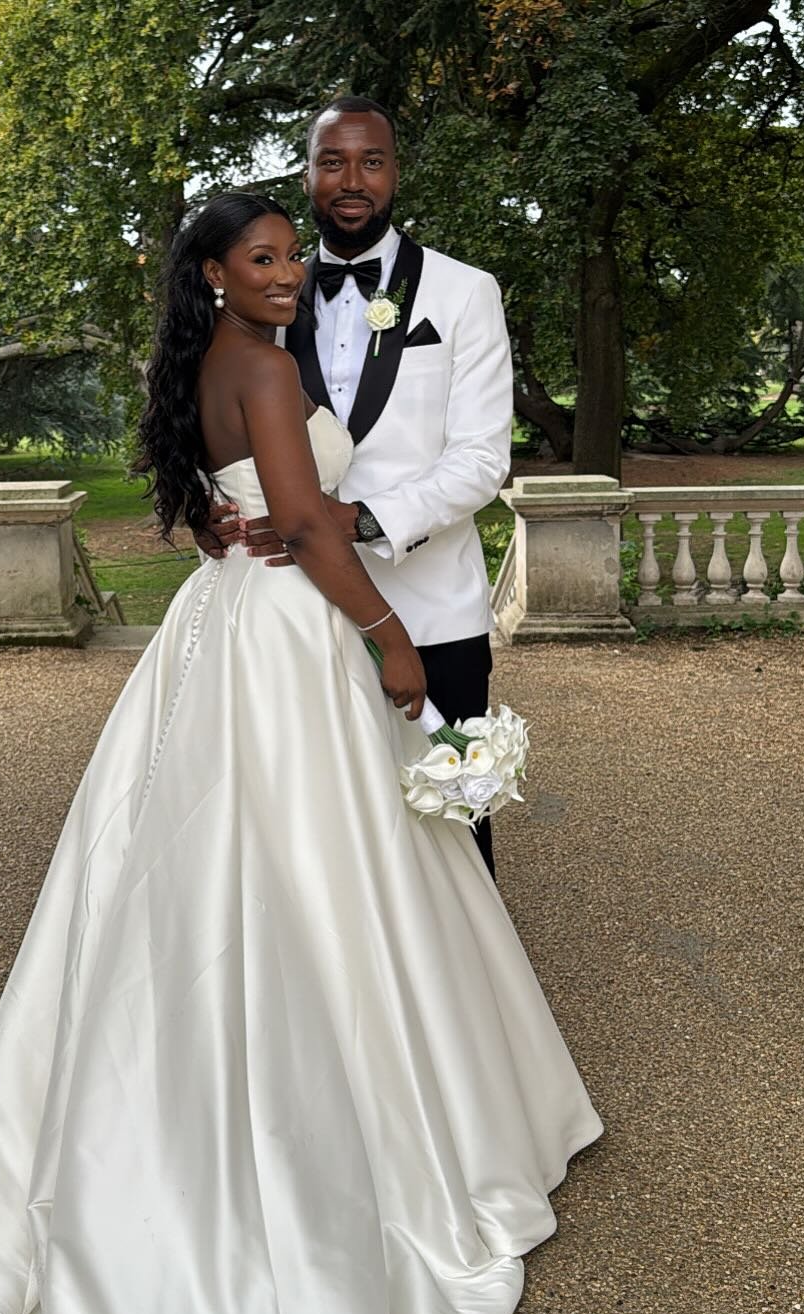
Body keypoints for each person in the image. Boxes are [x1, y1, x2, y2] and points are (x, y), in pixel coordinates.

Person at [0, 190, 602, 1314]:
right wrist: (392, 640)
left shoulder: (212, 363)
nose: (285, 272)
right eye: (259, 258)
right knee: (317, 856)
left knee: (253, 851)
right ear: (212, 272)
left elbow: (230, 501)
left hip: (224, 629)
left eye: (289, 256)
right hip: (294, 634)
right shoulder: (259, 363)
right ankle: (368, 1125)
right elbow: (307, 524)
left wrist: (240, 520)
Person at [199, 95, 513, 878]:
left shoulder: (463, 292)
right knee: (315, 823)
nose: (351, 179)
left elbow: (482, 459)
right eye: (331, 161)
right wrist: (206, 501)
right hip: (295, 614)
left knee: (450, 819)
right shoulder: (267, 285)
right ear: (307, 173)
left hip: (429, 604)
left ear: (396, 173)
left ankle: (464, 994)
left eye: (370, 161)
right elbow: (213, 408)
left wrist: (363, 519)